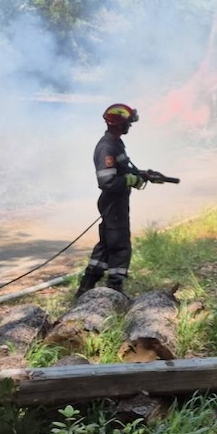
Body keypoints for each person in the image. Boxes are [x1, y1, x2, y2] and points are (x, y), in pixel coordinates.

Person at [75, 103, 157, 298]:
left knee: (106, 244)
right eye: (128, 123)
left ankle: (85, 287)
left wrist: (142, 174)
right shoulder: (107, 147)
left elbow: (123, 171)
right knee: (119, 244)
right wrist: (132, 180)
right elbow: (107, 181)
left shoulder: (116, 143)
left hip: (116, 203)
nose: (130, 126)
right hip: (113, 204)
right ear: (118, 124)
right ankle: (115, 289)